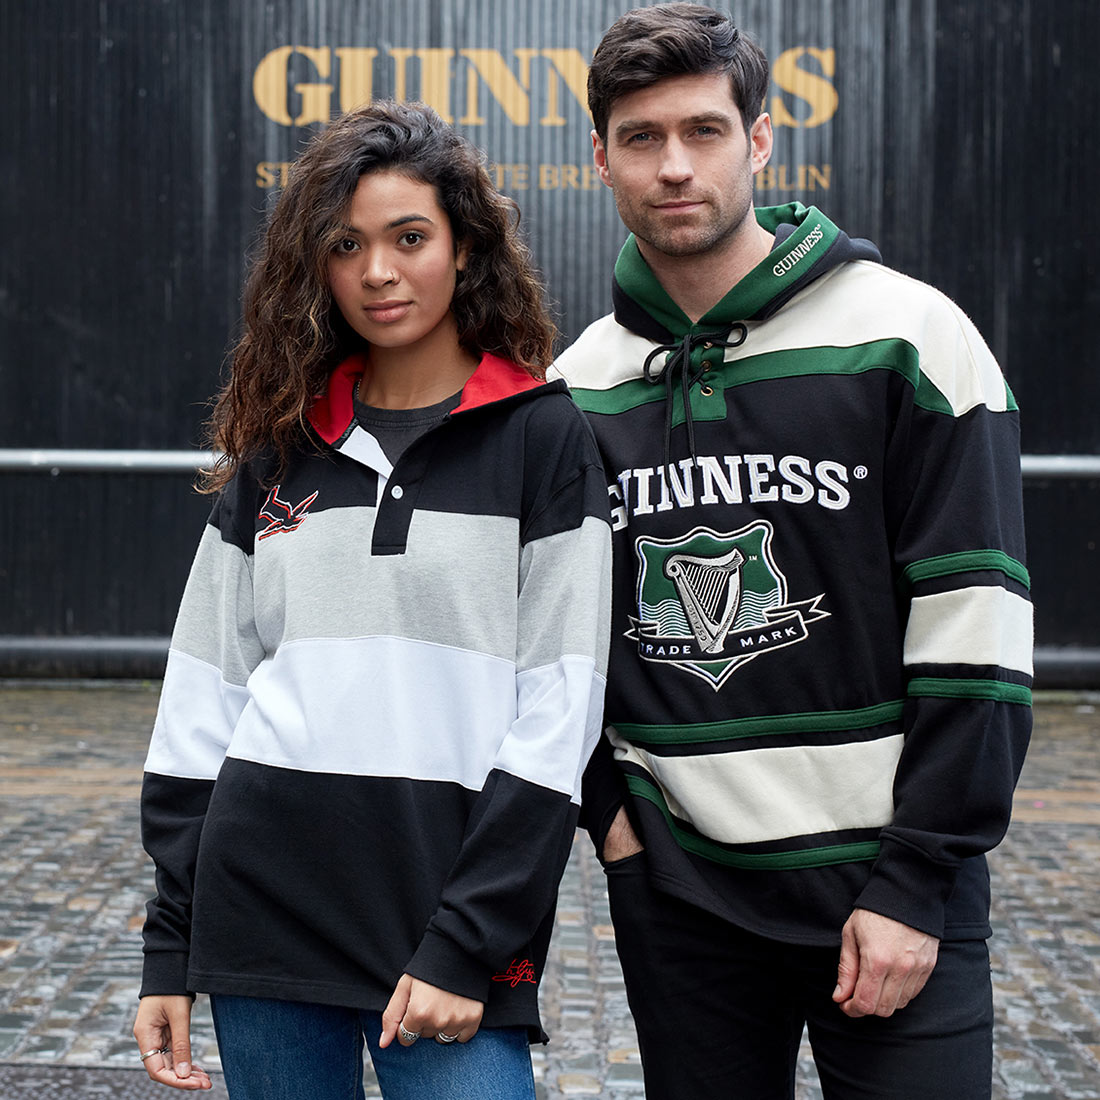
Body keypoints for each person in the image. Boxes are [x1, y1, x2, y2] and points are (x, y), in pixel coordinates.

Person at [551, 5, 1033, 1097]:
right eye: (640, 138)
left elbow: (978, 633)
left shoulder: (909, 337)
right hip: (682, 899)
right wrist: (613, 823)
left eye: (703, 131)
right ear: (600, 159)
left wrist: (915, 879)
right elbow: (554, 642)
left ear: (757, 141)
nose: (674, 166)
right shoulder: (575, 388)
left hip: (890, 889)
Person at [132, 100, 611, 1099]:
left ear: (466, 249)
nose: (378, 272)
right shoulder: (277, 447)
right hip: (264, 914)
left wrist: (465, 938)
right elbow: (201, 699)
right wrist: (168, 943)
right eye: (346, 245)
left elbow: (558, 711)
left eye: (408, 238)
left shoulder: (544, 437)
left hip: (447, 923)